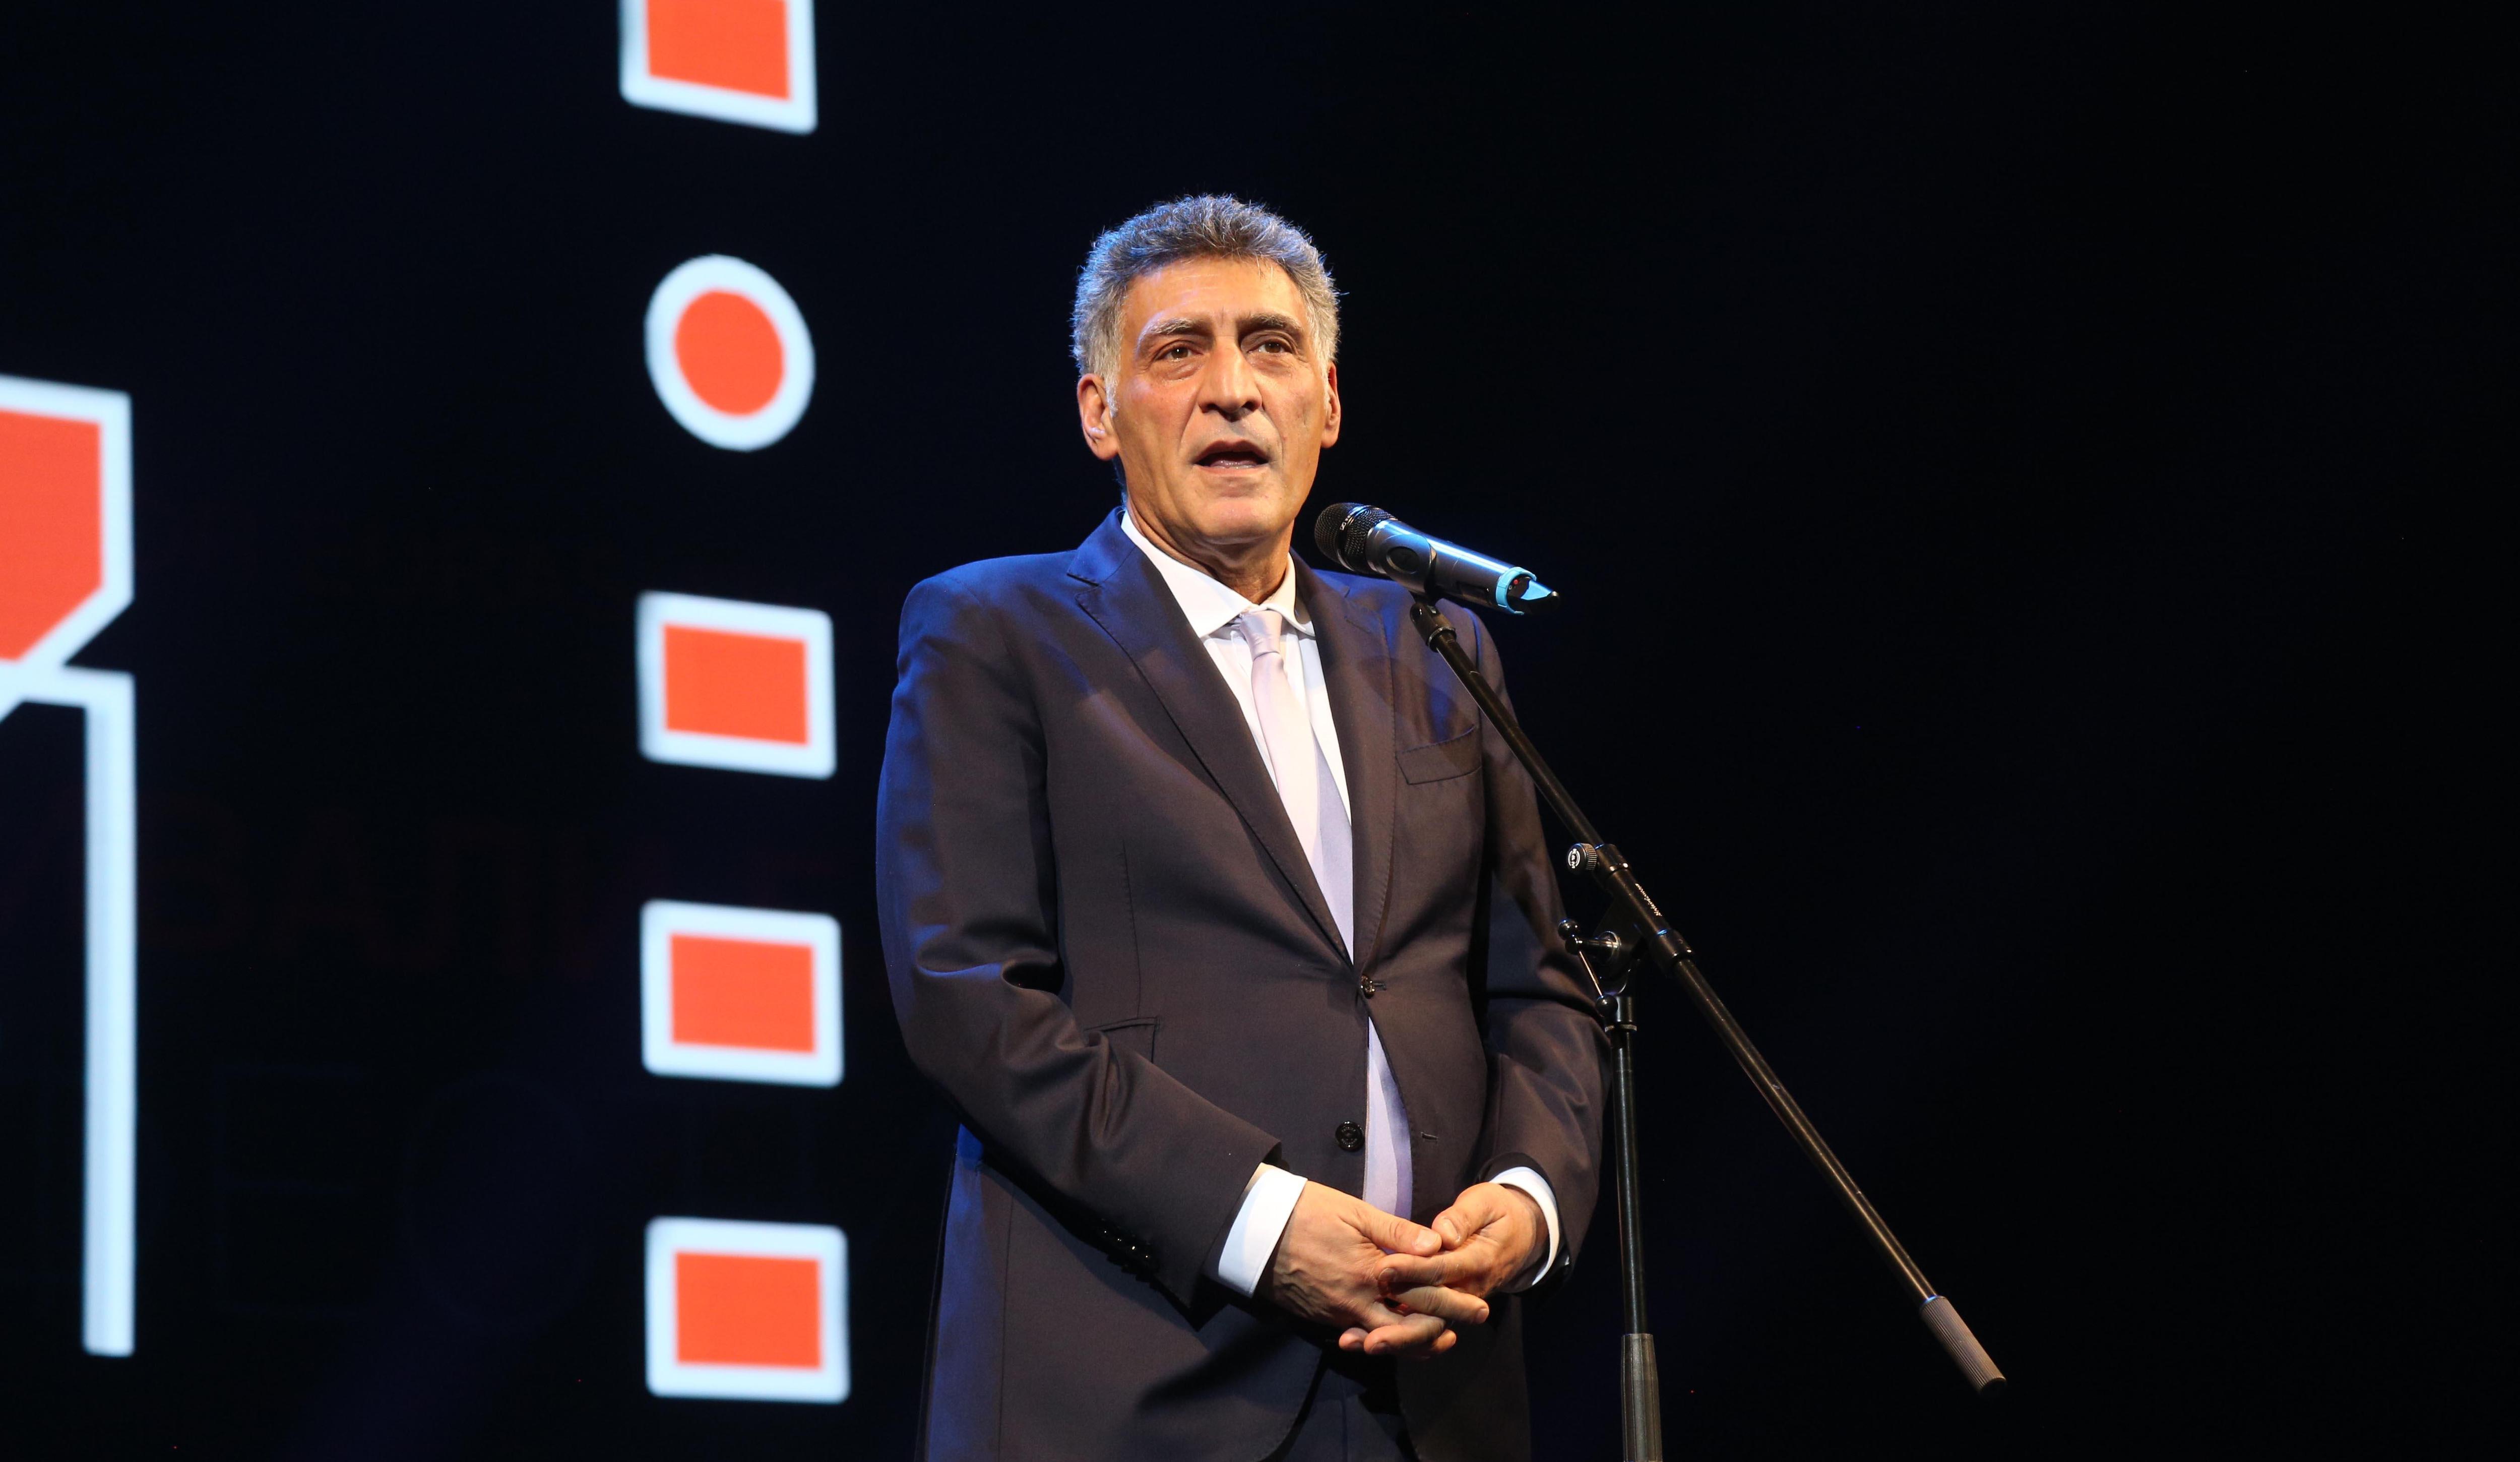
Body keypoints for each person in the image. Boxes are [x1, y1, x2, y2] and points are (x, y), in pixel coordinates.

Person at [877, 195, 1605, 1461]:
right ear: (1099, 411)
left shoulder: (1436, 647)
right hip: (1135, 1389)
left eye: (1270, 348)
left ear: (1326, 403)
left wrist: (1527, 1197)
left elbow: (1536, 981)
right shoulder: (995, 632)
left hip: (1434, 1384)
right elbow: (971, 1001)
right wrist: (1259, 1221)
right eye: (1179, 351)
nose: (1232, 389)